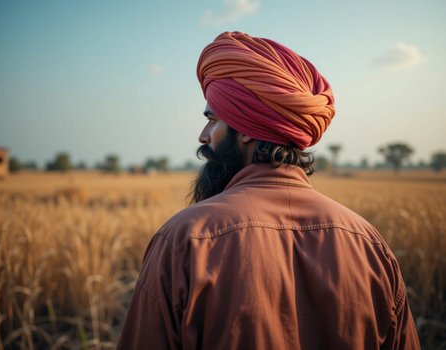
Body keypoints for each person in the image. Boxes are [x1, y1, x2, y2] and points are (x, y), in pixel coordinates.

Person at [117, 31, 420, 349]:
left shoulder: (186, 239)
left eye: (212, 119)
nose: (203, 136)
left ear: (246, 130)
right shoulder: (369, 244)